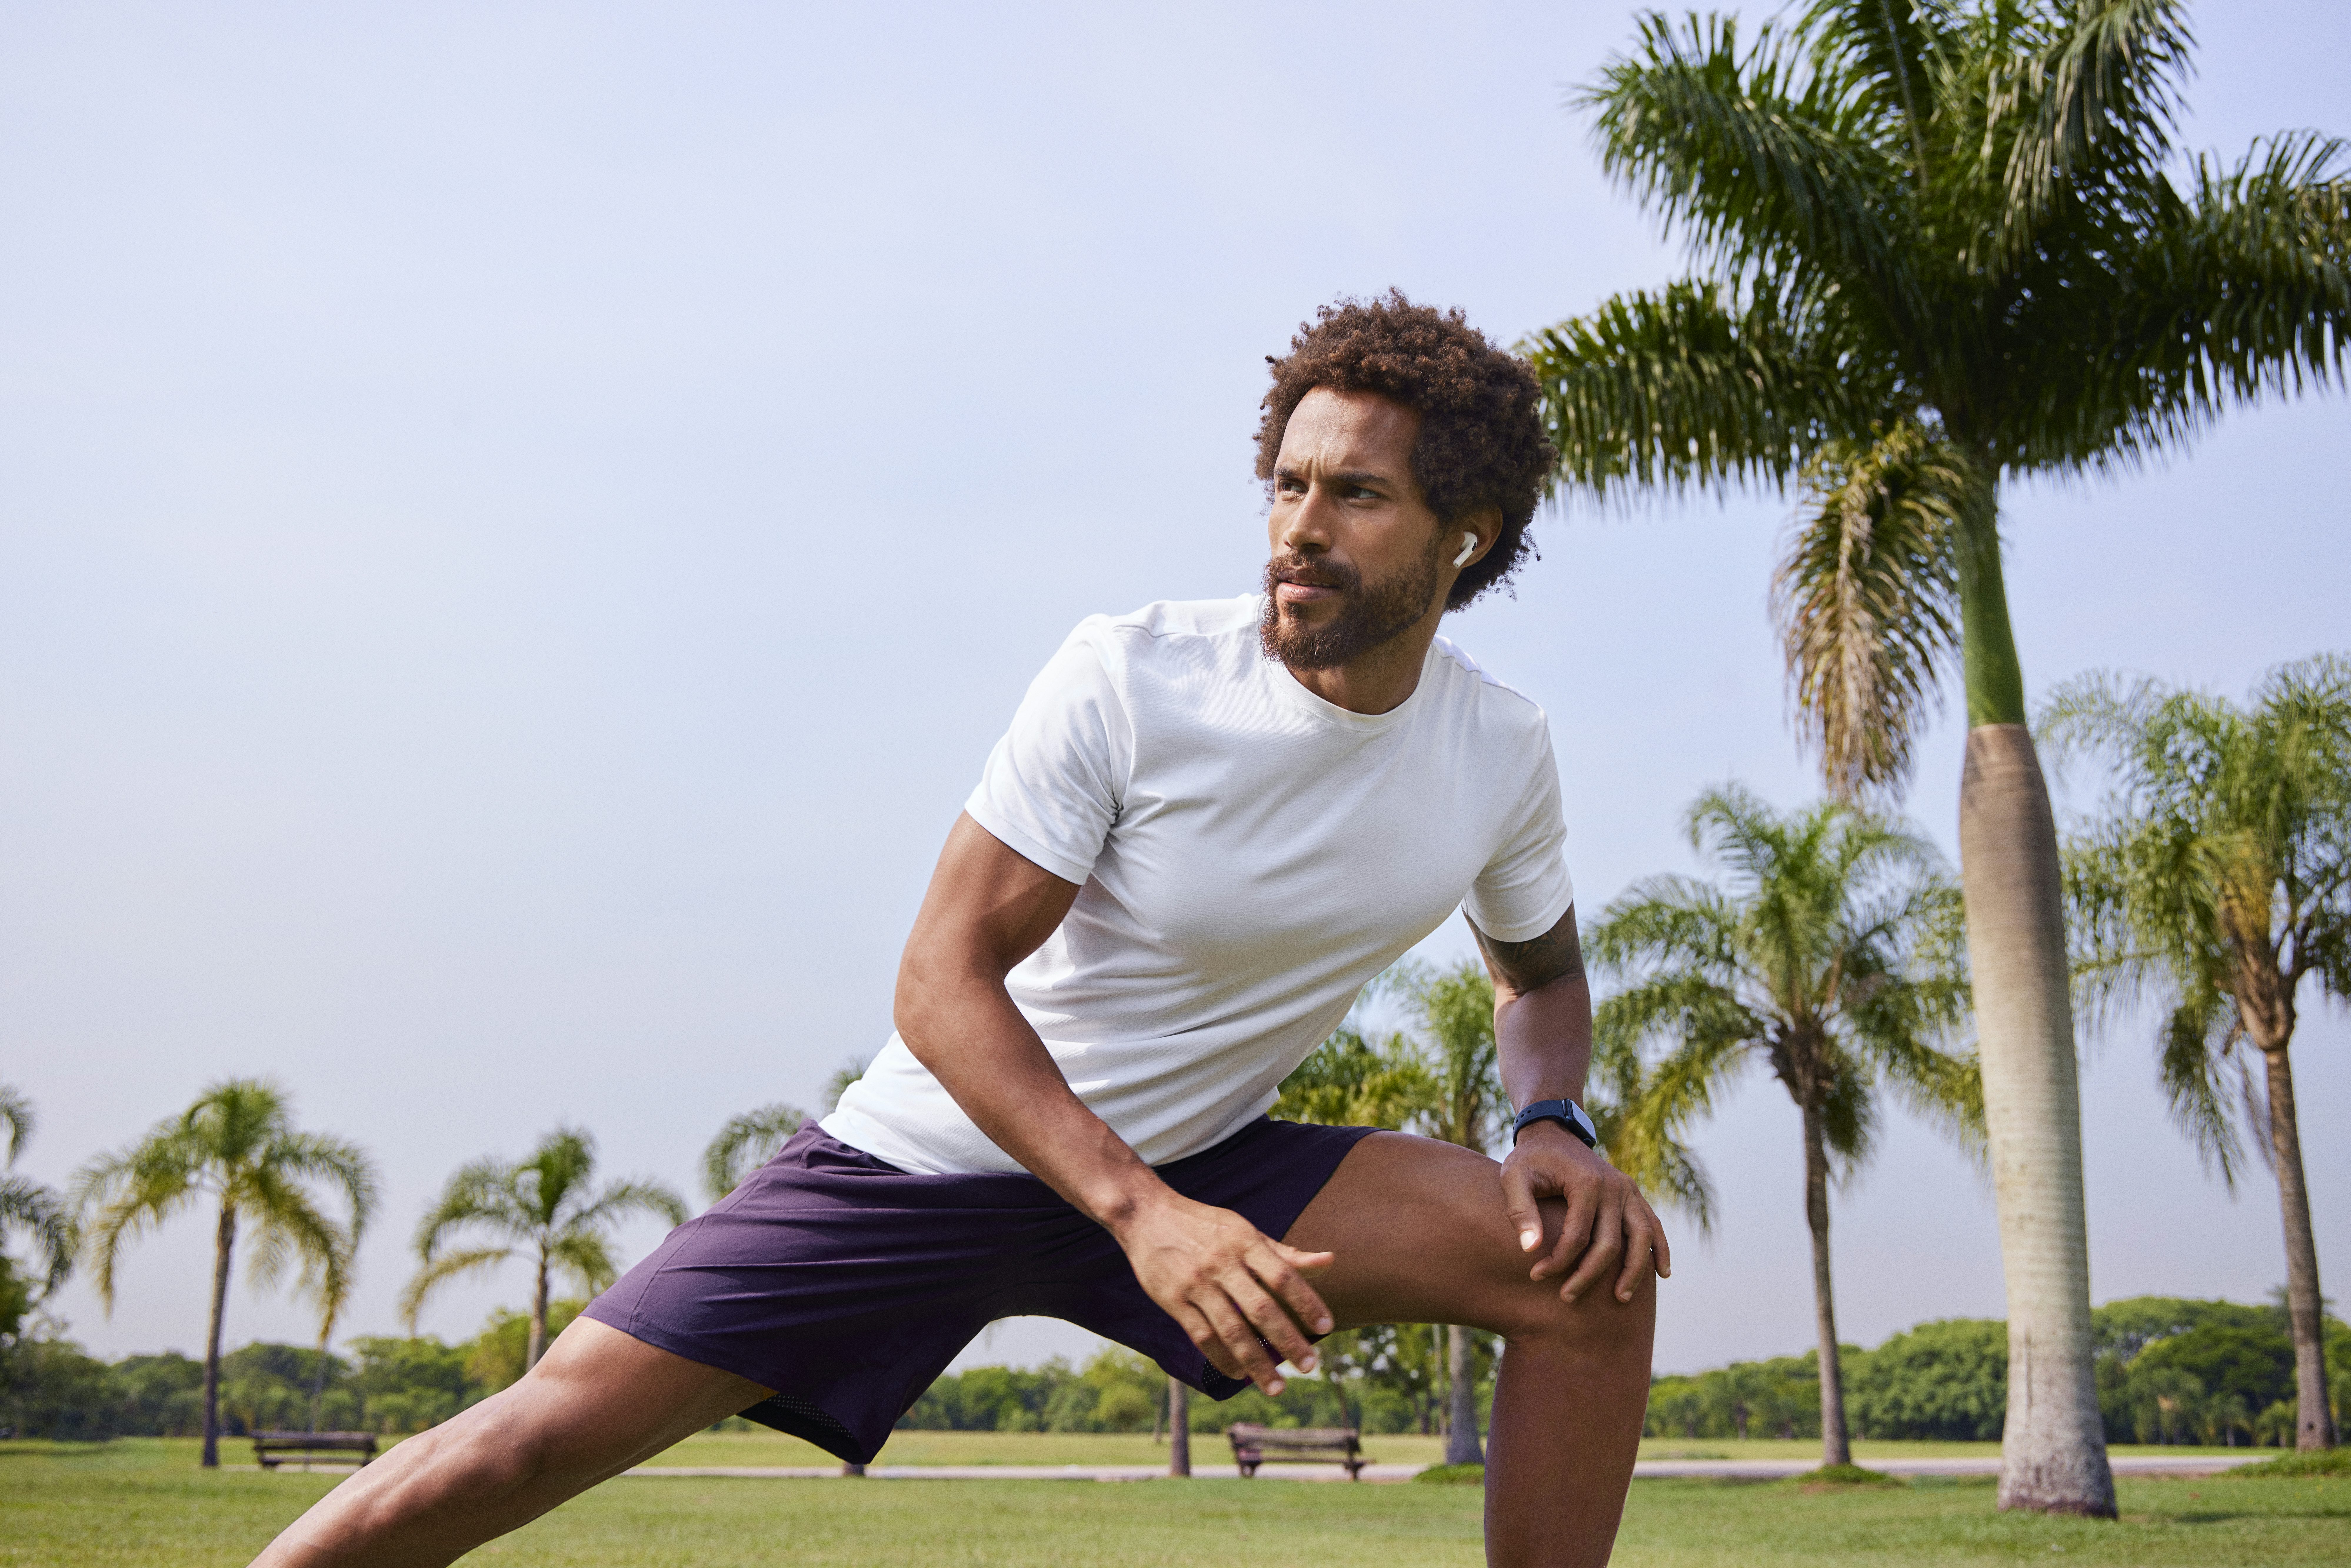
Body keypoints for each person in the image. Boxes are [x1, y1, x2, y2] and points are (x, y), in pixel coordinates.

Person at [251, 292, 1669, 1568]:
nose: (1300, 526)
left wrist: (1550, 1120)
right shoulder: (1134, 676)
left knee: (1587, 1276)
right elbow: (940, 979)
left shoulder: (1496, 748)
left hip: (1205, 1162)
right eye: (1287, 484)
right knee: (528, 1442)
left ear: (1463, 534)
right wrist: (1140, 1214)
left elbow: (1535, 970)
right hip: (943, 1154)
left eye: (1355, 495)